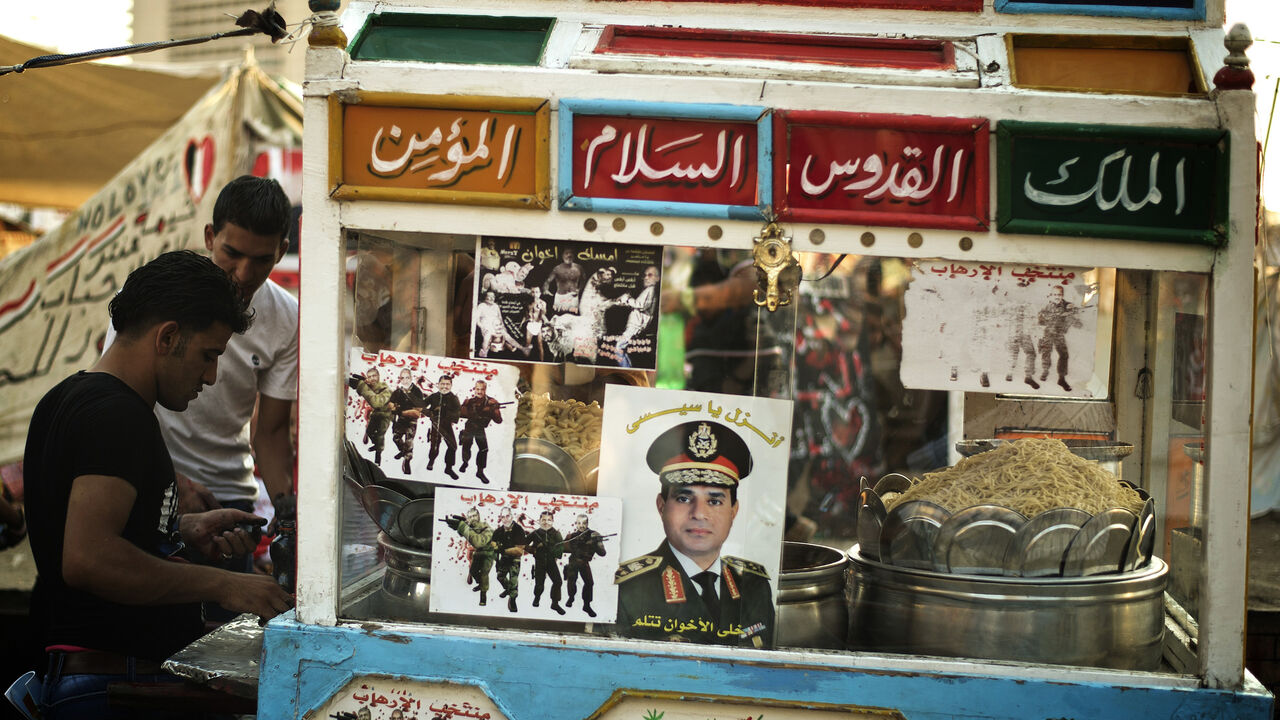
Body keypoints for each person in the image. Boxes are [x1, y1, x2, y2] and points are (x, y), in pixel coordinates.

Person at [24, 251, 295, 719]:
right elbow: (88, 559)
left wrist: (179, 529)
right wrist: (227, 586)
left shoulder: (68, 397)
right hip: (109, 685)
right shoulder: (117, 416)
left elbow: (90, 528)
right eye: (208, 355)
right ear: (168, 337)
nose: (210, 376)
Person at [102, 175, 298, 566]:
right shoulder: (155, 294)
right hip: (146, 480)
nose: (243, 273)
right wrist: (171, 482)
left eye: (261, 259)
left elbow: (272, 432)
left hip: (230, 497)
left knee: (223, 620)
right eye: (232, 253)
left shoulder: (288, 318)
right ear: (210, 237)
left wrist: (286, 508)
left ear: (282, 252)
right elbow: (118, 400)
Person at [614, 420, 774, 648]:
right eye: (683, 498)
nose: (699, 513)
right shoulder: (628, 589)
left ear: (734, 511)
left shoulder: (754, 586)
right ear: (661, 506)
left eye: (715, 500)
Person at [1037, 285, 1083, 392]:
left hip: (1059, 334)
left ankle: (1061, 378)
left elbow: (1076, 321)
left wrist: (1072, 312)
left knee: (1064, 355)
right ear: (1051, 295)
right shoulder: (1046, 306)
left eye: (1059, 294)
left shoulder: (1066, 305)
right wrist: (1050, 316)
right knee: (1046, 353)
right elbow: (1040, 320)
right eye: (1055, 294)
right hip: (1048, 333)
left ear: (1062, 295)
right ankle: (1045, 370)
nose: (1057, 297)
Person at [446, 507, 495, 606]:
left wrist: (462, 526)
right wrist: (458, 526)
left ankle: (483, 597)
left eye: (474, 516)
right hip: (478, 552)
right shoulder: (471, 527)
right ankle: (481, 584)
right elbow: (465, 533)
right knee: (473, 571)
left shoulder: (487, 527)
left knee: (484, 574)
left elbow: (478, 542)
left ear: (479, 516)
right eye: (470, 517)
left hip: (488, 553)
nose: (473, 518)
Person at [458, 380, 504, 484]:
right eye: (477, 389)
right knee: (466, 446)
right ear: (474, 389)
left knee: (484, 449)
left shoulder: (491, 402)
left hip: (480, 429)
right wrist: (463, 407)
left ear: (485, 390)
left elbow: (499, 421)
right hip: (469, 427)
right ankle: (465, 463)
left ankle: (480, 471)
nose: (479, 391)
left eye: (482, 389)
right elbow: (460, 414)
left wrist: (495, 410)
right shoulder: (469, 402)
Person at [613, 265, 659, 368]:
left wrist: (627, 299)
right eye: (645, 275)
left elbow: (641, 305)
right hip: (634, 326)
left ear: (657, 278)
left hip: (635, 326)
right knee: (621, 349)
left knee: (618, 348)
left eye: (650, 275)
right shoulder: (649, 290)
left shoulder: (650, 290)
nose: (646, 278)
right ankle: (628, 369)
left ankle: (627, 371)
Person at [563, 513, 607, 618]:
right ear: (576, 524)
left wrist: (597, 544)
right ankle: (571, 597)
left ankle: (586, 605)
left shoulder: (594, 534)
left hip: (584, 562)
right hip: (573, 562)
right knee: (571, 581)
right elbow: (562, 548)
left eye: (584, 523)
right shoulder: (571, 536)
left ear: (587, 523)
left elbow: (603, 553)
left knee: (589, 583)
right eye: (579, 523)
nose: (581, 526)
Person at [348, 367, 393, 465]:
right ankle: (376, 445)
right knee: (369, 431)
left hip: (385, 415)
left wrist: (361, 386)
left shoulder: (386, 390)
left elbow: (376, 403)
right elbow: (372, 390)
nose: (372, 378)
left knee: (380, 435)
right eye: (369, 376)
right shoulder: (373, 387)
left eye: (374, 376)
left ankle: (378, 456)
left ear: (379, 376)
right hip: (376, 414)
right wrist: (363, 383)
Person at [526, 510, 566, 615]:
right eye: (543, 519)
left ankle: (555, 603)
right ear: (539, 521)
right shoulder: (535, 533)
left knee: (558, 582)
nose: (546, 522)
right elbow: (523, 544)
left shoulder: (556, 534)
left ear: (553, 521)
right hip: (539, 561)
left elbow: (561, 547)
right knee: (539, 583)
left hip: (551, 562)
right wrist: (534, 549)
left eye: (549, 520)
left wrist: (554, 552)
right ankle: (537, 597)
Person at [422, 374, 461, 480]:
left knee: (453, 446)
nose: (445, 386)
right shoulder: (434, 396)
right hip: (435, 424)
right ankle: (431, 461)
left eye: (447, 384)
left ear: (451, 385)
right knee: (434, 445)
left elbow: (457, 414)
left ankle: (448, 468)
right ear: (438, 385)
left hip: (446, 425)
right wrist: (431, 413)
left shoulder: (454, 398)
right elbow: (421, 406)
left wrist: (444, 411)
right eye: (442, 384)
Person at [389, 369, 428, 475]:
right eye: (402, 378)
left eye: (407, 378)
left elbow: (417, 413)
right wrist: (395, 408)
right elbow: (391, 404)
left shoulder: (417, 391)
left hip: (412, 422)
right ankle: (402, 450)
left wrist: (400, 410)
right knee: (395, 437)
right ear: (400, 379)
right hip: (401, 421)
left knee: (409, 442)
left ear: (411, 378)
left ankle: (407, 461)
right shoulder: (398, 391)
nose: (405, 380)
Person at [490, 508, 527, 613]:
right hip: (504, 558)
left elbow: (519, 551)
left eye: (507, 516)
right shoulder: (498, 531)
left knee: (513, 580)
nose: (505, 519)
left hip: (515, 559)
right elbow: (493, 543)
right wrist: (496, 556)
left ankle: (513, 599)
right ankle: (508, 589)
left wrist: (502, 549)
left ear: (512, 516)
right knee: (500, 576)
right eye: (503, 517)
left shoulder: (519, 530)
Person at [474, 290, 525, 357]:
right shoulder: (481, 306)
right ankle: (484, 353)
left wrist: (503, 327)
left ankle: (522, 348)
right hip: (486, 327)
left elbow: (500, 318)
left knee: (507, 336)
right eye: (489, 296)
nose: (492, 298)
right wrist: (482, 327)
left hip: (497, 326)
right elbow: (476, 319)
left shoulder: (496, 306)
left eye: (493, 296)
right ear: (485, 297)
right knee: (487, 336)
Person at [544, 248, 585, 313]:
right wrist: (545, 289)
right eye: (566, 253)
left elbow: (583, 280)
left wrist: (579, 289)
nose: (569, 255)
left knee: (572, 318)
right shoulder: (557, 268)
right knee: (558, 317)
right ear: (562, 256)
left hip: (573, 297)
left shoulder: (579, 268)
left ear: (574, 256)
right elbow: (548, 281)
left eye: (571, 253)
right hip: (560, 297)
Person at [523, 287, 548, 361]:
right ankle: (525, 361)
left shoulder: (543, 303)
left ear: (540, 293)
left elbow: (543, 314)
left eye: (537, 292)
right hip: (530, 324)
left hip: (538, 325)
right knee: (527, 344)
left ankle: (542, 362)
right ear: (531, 293)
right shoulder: (528, 303)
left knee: (540, 345)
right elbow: (526, 315)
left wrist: (542, 308)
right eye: (533, 292)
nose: (535, 294)